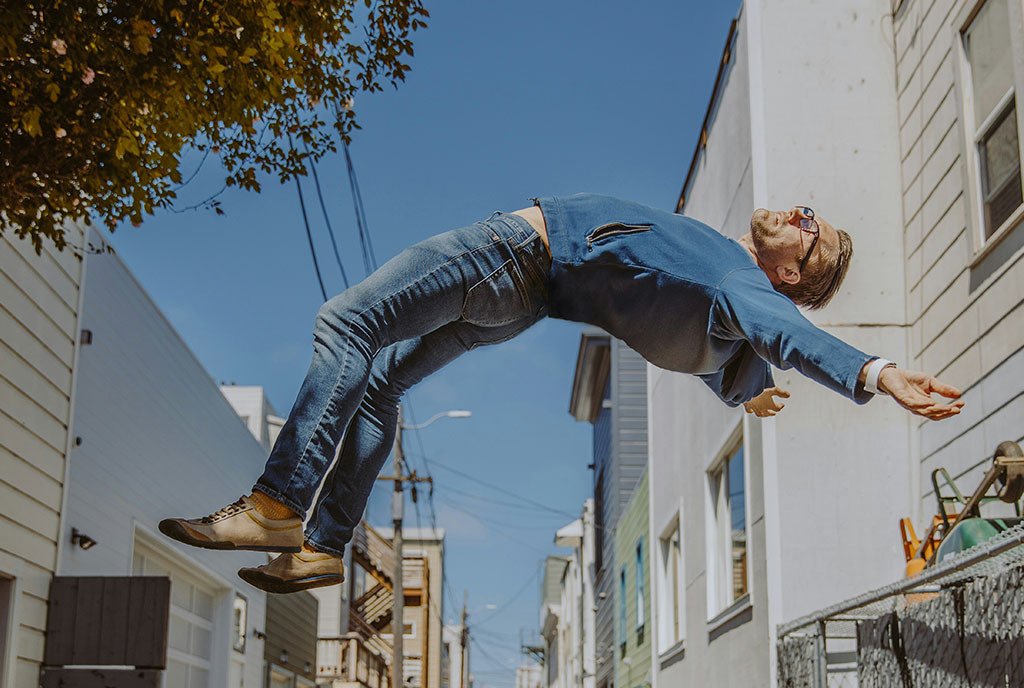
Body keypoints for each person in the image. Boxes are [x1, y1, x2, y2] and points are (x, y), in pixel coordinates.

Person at [159, 193, 964, 593]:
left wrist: (877, 373)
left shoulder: (736, 279)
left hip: (512, 258)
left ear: (787, 273)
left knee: (346, 323)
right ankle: (325, 549)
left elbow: (787, 333)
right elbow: (748, 347)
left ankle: (276, 503)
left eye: (808, 223)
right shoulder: (726, 311)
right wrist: (748, 389)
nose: (795, 210)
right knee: (378, 384)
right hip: (524, 301)